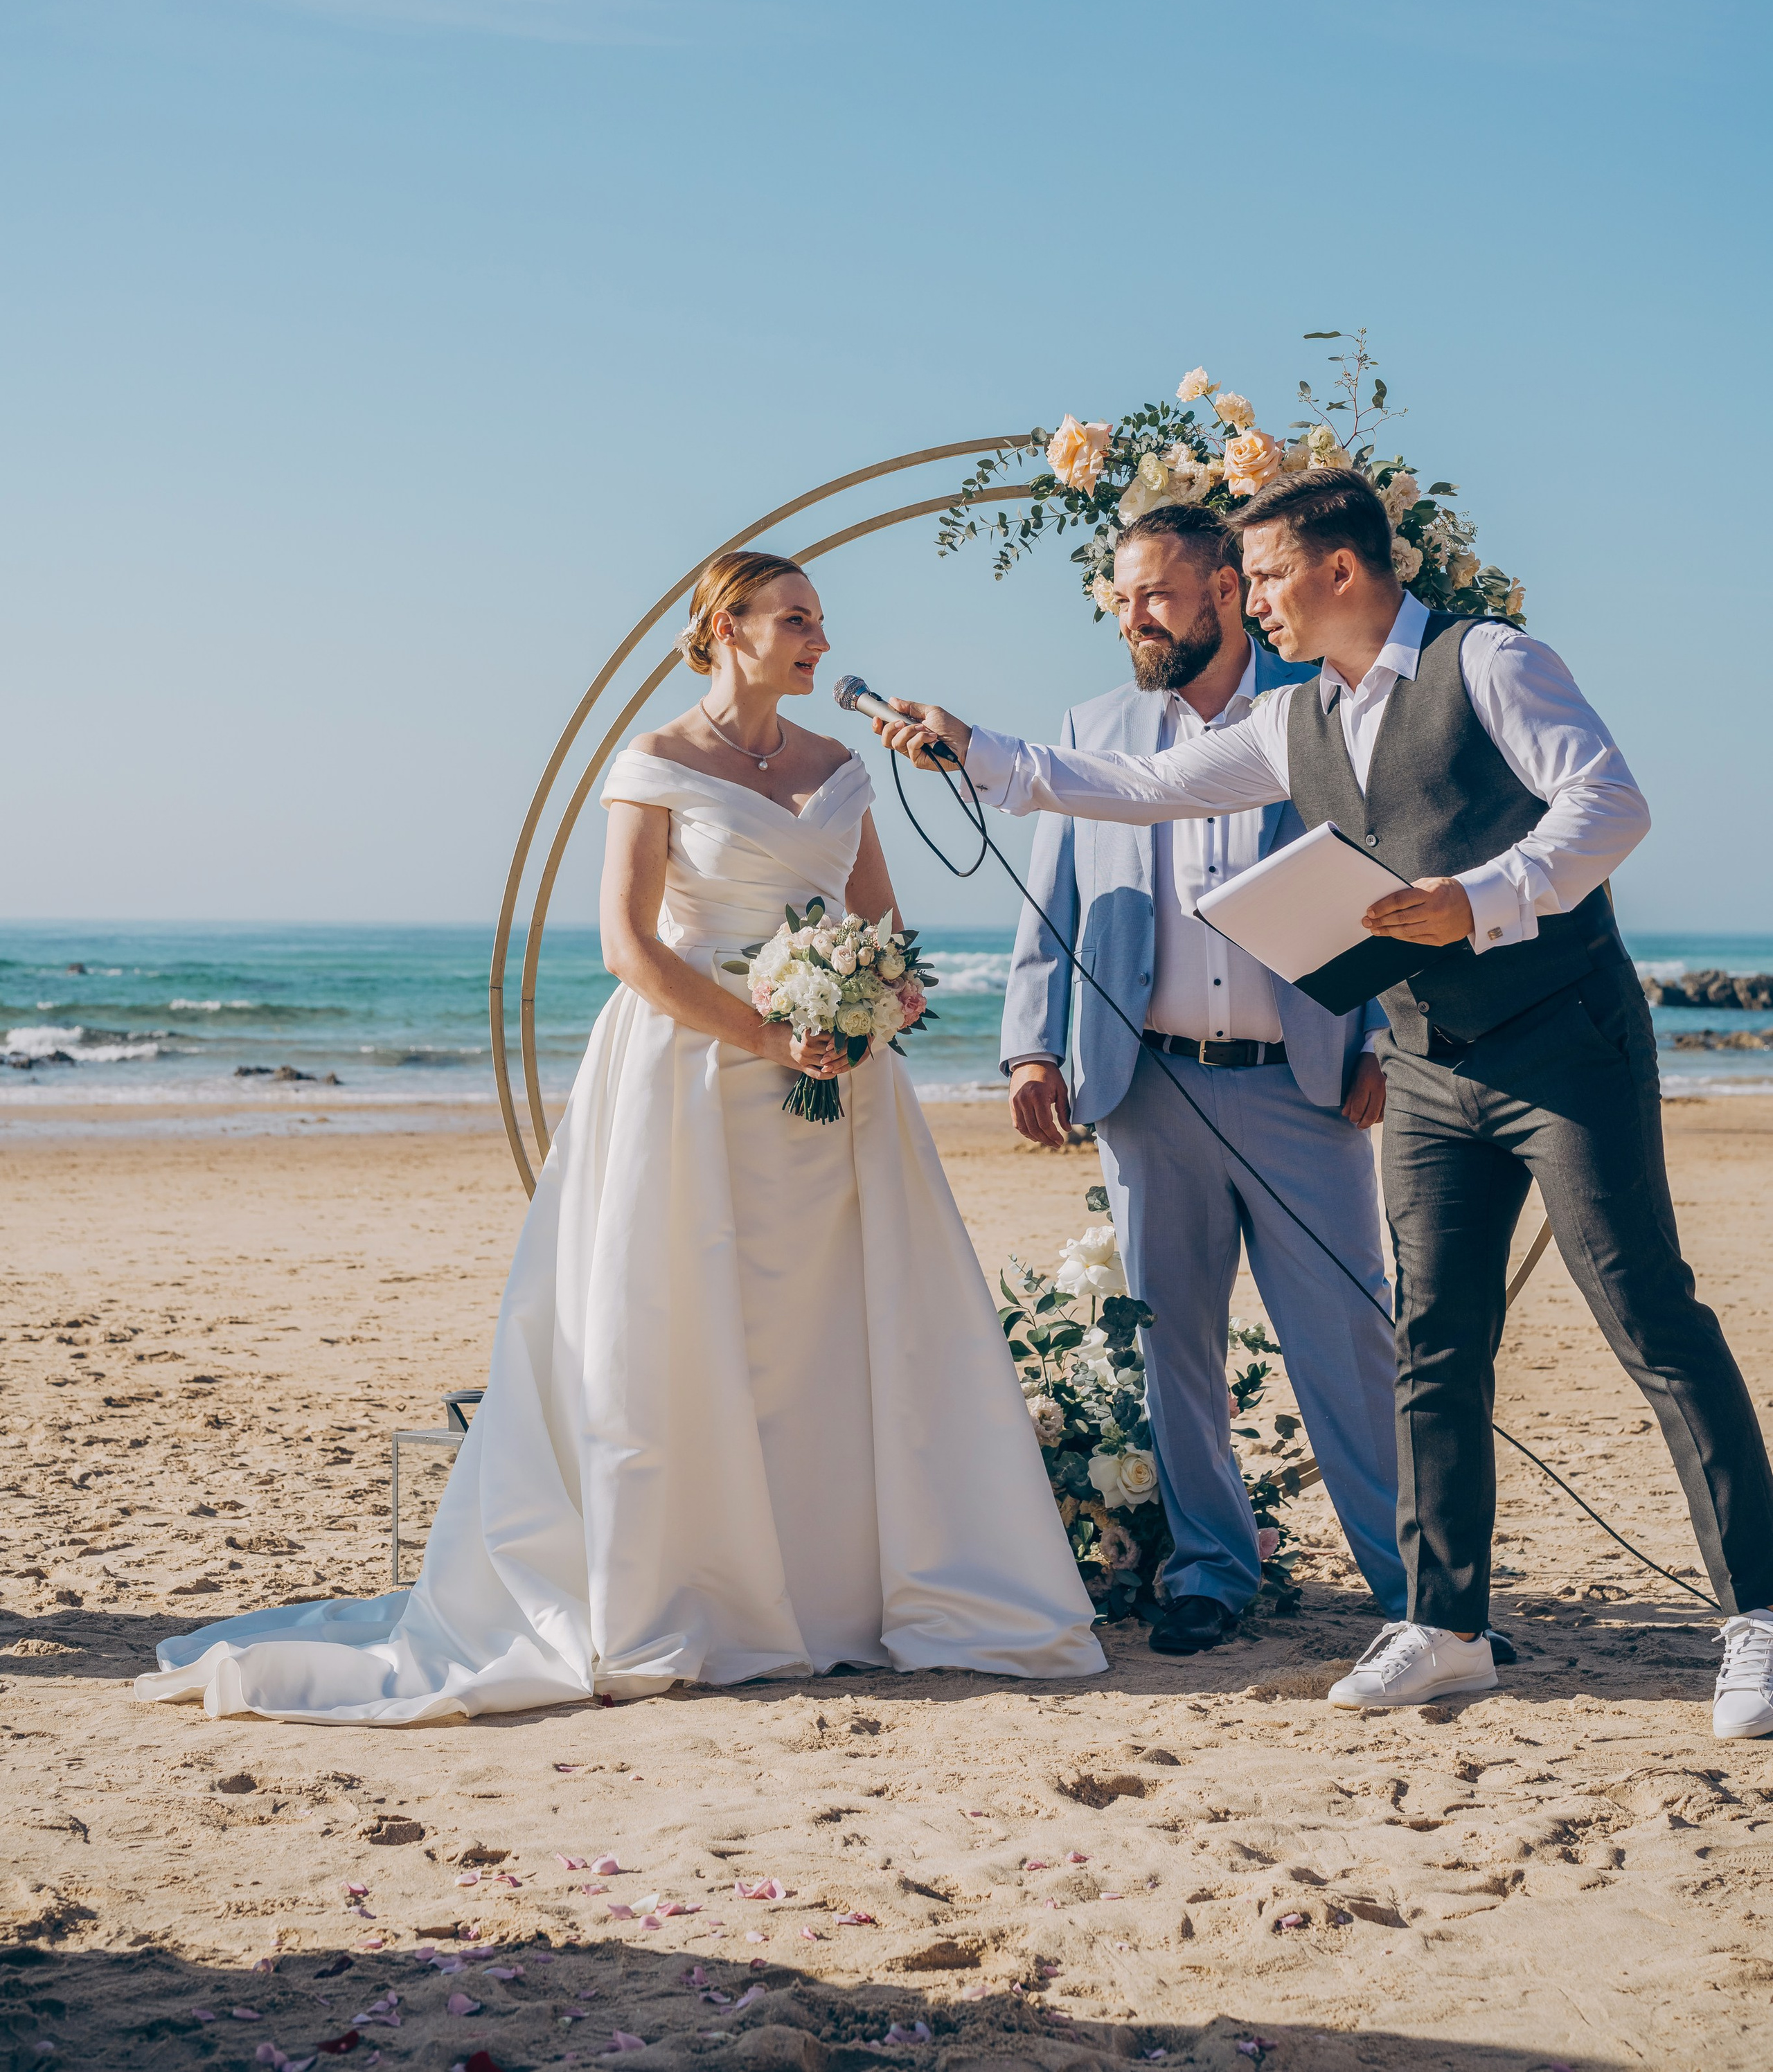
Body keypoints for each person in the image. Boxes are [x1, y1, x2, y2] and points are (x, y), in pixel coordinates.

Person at [873, 470, 1773, 1736]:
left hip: (1565, 1046)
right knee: (1437, 1344)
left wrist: (1484, 896)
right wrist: (973, 747)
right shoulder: (1301, 726)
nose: (1260, 607)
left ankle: (1761, 1617)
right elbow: (1131, 789)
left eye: (1270, 579)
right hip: (1428, 1065)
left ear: (1339, 570)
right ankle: (1446, 1627)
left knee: (1649, 1319)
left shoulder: (1492, 662)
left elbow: (1610, 806)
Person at [137, 551, 1103, 1722]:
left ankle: (839, 1594)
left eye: (821, 622)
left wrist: (869, 1007)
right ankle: (697, 1591)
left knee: (837, 1331)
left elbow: (884, 929)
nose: (818, 642)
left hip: (838, 1093)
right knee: (678, 1324)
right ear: (726, 629)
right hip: (689, 1078)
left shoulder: (844, 766)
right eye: (795, 620)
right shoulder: (654, 763)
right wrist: (766, 1033)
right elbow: (630, 949)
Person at [1001, 502, 1406, 1652]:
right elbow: (1052, 903)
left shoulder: (1314, 709)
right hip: (1148, 1087)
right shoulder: (1091, 726)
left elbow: (1379, 876)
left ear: (1229, 591)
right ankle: (1210, 1575)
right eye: (1120, 597)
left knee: (1350, 1343)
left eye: (1156, 595)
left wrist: (1375, 1037)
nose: (1131, 617)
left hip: (1304, 1085)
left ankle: (1415, 1592)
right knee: (1171, 1346)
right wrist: (1034, 1046)